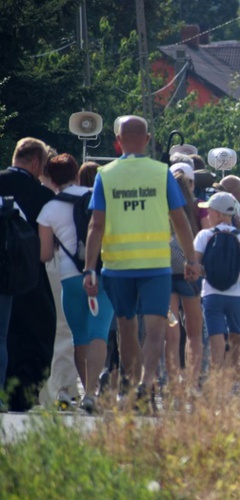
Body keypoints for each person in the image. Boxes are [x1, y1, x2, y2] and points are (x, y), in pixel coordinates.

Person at [82, 115, 200, 413]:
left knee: (126, 327)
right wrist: (191, 259)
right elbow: (181, 221)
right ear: (148, 140)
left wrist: (89, 268)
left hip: (117, 265)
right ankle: (146, 386)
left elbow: (96, 226)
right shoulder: (160, 173)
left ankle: (132, 389)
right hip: (155, 265)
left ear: (117, 142)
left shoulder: (105, 175)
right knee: (157, 327)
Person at [37, 153, 115, 413]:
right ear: (76, 173)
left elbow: (45, 255)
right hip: (104, 272)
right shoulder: (97, 195)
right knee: (99, 332)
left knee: (79, 336)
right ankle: (93, 392)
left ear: (52, 179)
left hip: (70, 277)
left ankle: (87, 392)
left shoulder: (49, 209)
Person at [0, 137, 57, 411]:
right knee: (35, 334)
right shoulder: (43, 195)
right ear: (36, 162)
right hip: (30, 278)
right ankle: (23, 392)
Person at [194, 192, 240, 382]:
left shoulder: (204, 236)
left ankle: (217, 382)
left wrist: (207, 270)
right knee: (236, 338)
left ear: (217, 213)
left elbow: (194, 266)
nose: (207, 214)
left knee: (216, 337)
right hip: (238, 294)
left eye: (209, 211)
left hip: (212, 293)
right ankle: (234, 382)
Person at [165, 165, 203, 393]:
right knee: (195, 332)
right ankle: (192, 381)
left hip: (165, 274)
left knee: (171, 331)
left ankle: (172, 381)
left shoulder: (163, 208)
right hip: (190, 273)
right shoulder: (195, 210)